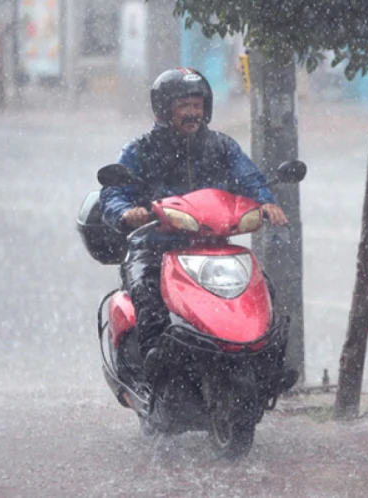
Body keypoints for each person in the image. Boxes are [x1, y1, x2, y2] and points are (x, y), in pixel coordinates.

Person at [100, 67, 288, 379]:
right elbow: (113, 192)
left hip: (213, 246)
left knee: (261, 287)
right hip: (156, 247)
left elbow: (250, 178)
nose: (192, 113)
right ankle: (154, 363)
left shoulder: (221, 147)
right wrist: (125, 212)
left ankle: (266, 364)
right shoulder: (140, 150)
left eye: (197, 105)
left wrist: (266, 201)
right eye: (183, 106)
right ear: (164, 110)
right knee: (146, 290)